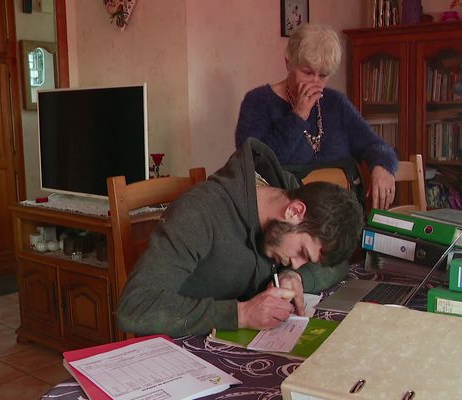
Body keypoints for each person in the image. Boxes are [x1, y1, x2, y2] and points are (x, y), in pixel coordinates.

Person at [117, 138, 364, 337]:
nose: (298, 261)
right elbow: (134, 308)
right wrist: (241, 314)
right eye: (302, 252)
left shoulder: (291, 190)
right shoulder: (199, 213)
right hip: (181, 354)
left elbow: (337, 264)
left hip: (239, 346)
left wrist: (296, 277)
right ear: (294, 211)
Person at [235, 23, 399, 210]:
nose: (314, 82)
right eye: (307, 72)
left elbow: (376, 145)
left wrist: (383, 166)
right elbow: (254, 164)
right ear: (288, 63)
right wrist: (298, 116)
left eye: (322, 75)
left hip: (340, 214)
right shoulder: (258, 101)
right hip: (285, 216)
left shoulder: (336, 103)